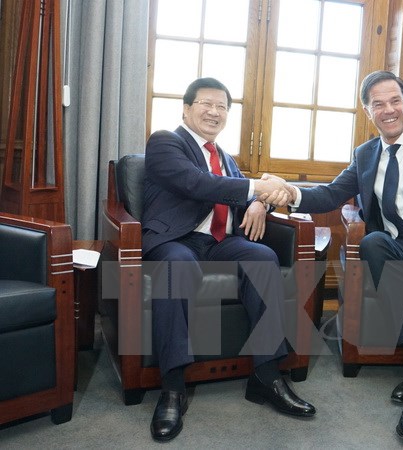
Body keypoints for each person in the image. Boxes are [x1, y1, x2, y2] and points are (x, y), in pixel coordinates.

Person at [262, 70, 403, 444]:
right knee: (372, 242)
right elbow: (329, 194)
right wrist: (289, 192)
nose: (388, 110)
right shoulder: (365, 154)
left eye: (395, 101)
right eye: (378, 104)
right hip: (400, 249)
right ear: (368, 112)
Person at [142, 77, 316, 442]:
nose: (214, 112)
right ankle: (172, 387)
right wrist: (257, 187)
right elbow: (195, 183)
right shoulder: (165, 142)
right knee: (176, 266)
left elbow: (241, 193)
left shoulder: (225, 158)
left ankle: (266, 376)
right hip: (176, 241)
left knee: (263, 257)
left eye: (221, 107)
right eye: (206, 104)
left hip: (220, 242)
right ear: (186, 109)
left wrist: (260, 202)